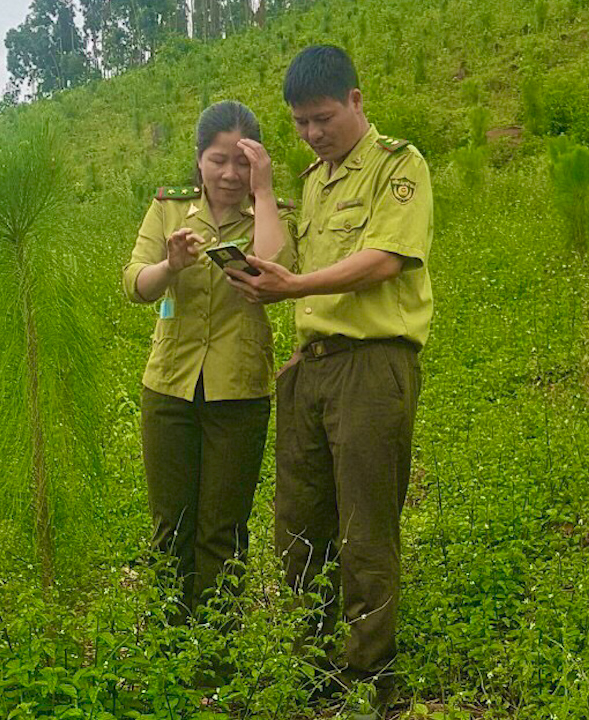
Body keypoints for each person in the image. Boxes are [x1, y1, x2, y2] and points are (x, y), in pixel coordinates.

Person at [224, 46, 433, 716]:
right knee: (300, 523)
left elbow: (384, 260)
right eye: (300, 124)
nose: (312, 134)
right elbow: (291, 264)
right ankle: (310, 666)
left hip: (374, 367)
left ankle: (370, 676)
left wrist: (295, 287)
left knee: (366, 524)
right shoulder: (314, 182)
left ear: (355, 101)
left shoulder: (399, 165)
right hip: (310, 368)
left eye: (321, 118)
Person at [121, 100, 296, 622]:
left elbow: (276, 271)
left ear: (258, 164)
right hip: (169, 389)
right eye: (218, 159)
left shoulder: (272, 214)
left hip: (239, 392)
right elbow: (135, 284)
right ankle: (169, 643)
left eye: (243, 162)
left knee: (223, 526)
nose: (229, 173)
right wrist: (169, 266)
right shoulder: (169, 210)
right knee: (170, 522)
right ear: (198, 160)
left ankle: (216, 651)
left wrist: (263, 193)